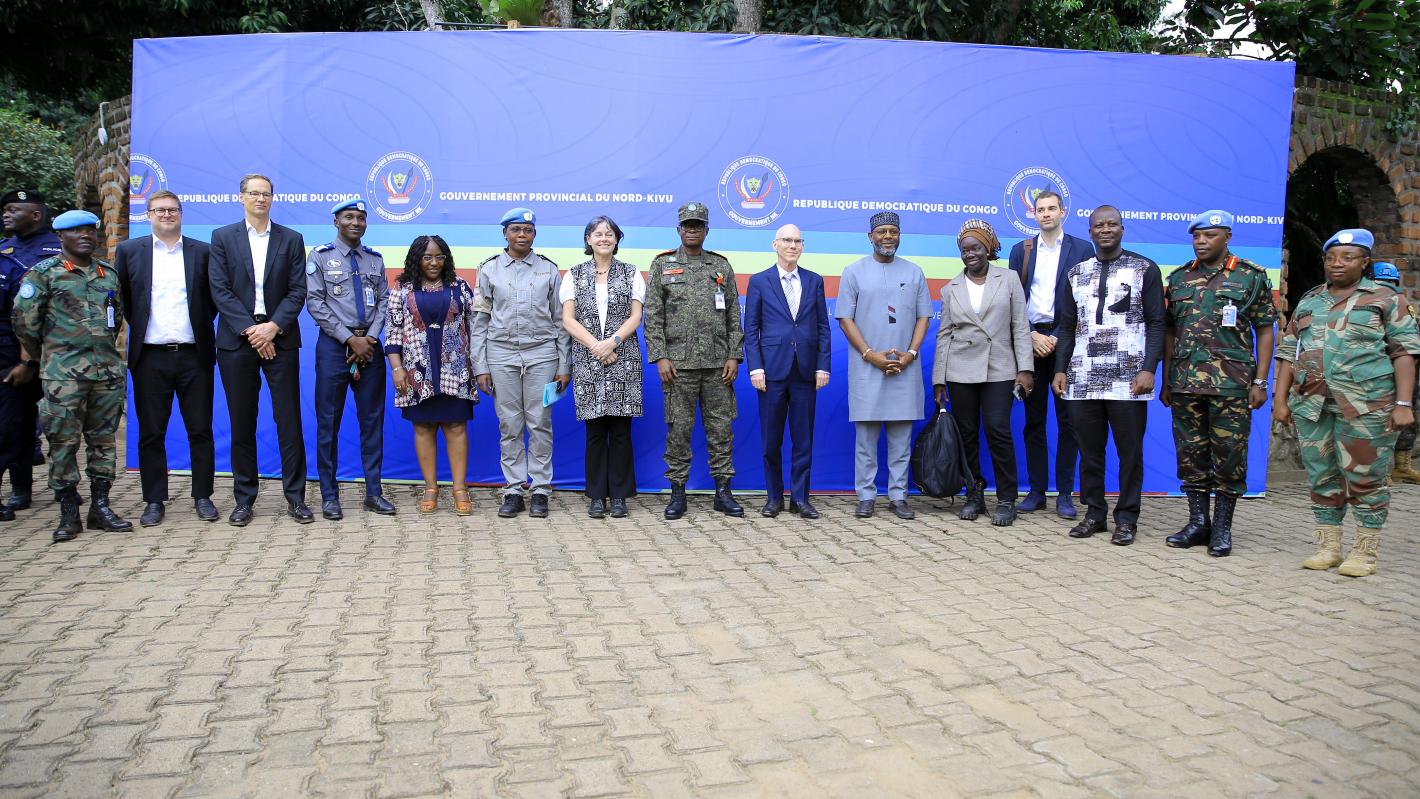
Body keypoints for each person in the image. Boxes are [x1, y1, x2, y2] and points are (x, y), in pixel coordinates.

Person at [1275, 230, 1420, 577]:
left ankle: (1365, 551)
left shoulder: (1386, 299)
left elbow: (1405, 353)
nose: (1337, 264)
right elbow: (1287, 352)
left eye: (1348, 257)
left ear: (1365, 262)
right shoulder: (1310, 299)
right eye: (1331, 258)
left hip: (1367, 406)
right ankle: (1329, 546)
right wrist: (1280, 399)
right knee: (1321, 476)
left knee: (1366, 477)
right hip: (1312, 404)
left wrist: (1403, 403)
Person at [1160, 210, 1277, 557]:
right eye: (1196, 236)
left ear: (1227, 236)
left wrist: (1260, 381)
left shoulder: (1250, 276)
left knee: (1229, 457)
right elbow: (1169, 330)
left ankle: (1222, 529)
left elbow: (1266, 329)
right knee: (1191, 455)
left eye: (1209, 236)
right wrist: (1168, 377)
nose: (1201, 242)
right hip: (1185, 383)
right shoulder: (1180, 278)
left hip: (1232, 384)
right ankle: (1198, 523)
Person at [12, 210, 130, 542]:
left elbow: (115, 318)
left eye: (90, 231)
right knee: (63, 443)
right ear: (60, 237)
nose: (85, 237)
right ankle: (68, 512)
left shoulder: (108, 274)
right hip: (62, 376)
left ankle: (101, 507)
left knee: (103, 442)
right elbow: (25, 323)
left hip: (106, 373)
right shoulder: (44, 275)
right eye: (75, 232)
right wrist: (47, 356)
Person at [1051, 205, 1165, 545]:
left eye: (1111, 224)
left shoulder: (1144, 269)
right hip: (1083, 377)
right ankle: (1095, 514)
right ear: (1090, 232)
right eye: (1098, 225)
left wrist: (1149, 368)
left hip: (1129, 378)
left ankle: (1127, 518)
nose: (1105, 229)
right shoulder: (1076, 273)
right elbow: (1067, 326)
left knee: (1130, 453)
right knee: (1090, 452)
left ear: (1122, 229)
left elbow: (1158, 322)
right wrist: (1060, 368)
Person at [207, 174, 311, 526]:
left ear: (272, 198)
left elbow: (298, 290)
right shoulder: (222, 238)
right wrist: (252, 331)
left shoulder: (291, 239)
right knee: (242, 420)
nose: (261, 199)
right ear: (241, 197)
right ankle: (244, 498)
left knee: (289, 420)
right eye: (254, 193)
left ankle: (296, 498)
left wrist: (272, 328)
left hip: (279, 337)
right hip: (238, 341)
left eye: (266, 194)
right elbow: (219, 290)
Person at [113, 190, 220, 527]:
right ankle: (154, 500)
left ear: (181, 213)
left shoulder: (202, 252)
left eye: (172, 210)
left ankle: (203, 497)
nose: (167, 215)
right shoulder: (130, 251)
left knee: (200, 430)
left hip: (194, 355)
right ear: (148, 215)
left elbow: (213, 300)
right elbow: (124, 300)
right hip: (150, 357)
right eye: (159, 210)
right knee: (151, 432)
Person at [643, 202, 746, 520]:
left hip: (717, 366)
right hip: (678, 367)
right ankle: (677, 493)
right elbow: (653, 315)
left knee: (721, 429)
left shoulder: (721, 266)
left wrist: (734, 355)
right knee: (678, 431)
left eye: (697, 225)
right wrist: (660, 356)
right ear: (678, 229)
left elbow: (732, 313)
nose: (692, 229)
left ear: (706, 230)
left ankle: (723, 492)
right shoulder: (662, 265)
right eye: (687, 225)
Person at [472, 208, 571, 519]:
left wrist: (564, 364)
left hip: (543, 355)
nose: (522, 235)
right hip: (501, 355)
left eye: (528, 230)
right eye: (516, 230)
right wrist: (481, 366)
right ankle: (514, 488)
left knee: (540, 422)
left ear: (534, 234)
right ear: (505, 234)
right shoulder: (488, 270)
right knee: (509, 423)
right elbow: (480, 320)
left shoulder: (549, 270)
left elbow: (561, 320)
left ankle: (541, 488)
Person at [933, 219, 1033, 526]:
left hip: (1000, 367)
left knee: (998, 431)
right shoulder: (950, 288)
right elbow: (944, 334)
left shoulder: (1009, 279)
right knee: (966, 436)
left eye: (976, 247)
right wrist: (939, 378)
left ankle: (1006, 499)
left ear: (989, 248)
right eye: (965, 249)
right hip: (960, 370)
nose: (970, 254)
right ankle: (973, 493)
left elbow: (1019, 325)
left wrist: (1026, 369)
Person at [837, 211, 932, 520]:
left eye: (893, 231)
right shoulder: (853, 272)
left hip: (905, 366)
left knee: (901, 438)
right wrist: (869, 354)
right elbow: (845, 318)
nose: (888, 236)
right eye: (882, 232)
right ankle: (865, 496)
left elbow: (923, 317)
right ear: (871, 237)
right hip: (867, 367)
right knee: (865, 439)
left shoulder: (915, 272)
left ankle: (898, 495)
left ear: (899, 236)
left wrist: (911, 353)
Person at [305, 199, 395, 521]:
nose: (355, 222)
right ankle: (330, 496)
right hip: (334, 348)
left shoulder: (375, 259)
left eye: (360, 218)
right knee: (328, 423)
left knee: (372, 422)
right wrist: (349, 338)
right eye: (349, 217)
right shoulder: (320, 257)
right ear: (336, 222)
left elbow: (384, 300)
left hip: (370, 346)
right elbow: (315, 303)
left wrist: (369, 337)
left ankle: (374, 493)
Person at [1007, 190, 1091, 519]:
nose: (1045, 214)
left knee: (1069, 422)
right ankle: (1037, 491)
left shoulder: (1082, 249)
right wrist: (1030, 335)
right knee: (1033, 421)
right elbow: (1013, 300)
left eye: (1051, 208)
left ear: (1063, 212)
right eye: (1040, 209)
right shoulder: (1021, 251)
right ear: (1034, 215)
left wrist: (1057, 338)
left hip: (1066, 341)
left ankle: (1066, 493)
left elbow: (1086, 299)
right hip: (1029, 338)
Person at [385, 235, 479, 516]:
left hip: (456, 368)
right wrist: (397, 368)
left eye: (439, 257)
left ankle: (460, 489)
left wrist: (479, 365)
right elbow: (393, 330)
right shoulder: (402, 288)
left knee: (456, 427)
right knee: (423, 428)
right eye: (427, 257)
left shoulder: (459, 287)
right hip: (416, 371)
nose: (434, 262)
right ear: (417, 259)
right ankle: (430, 488)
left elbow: (474, 327)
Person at [560, 216, 645, 519]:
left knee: (621, 431)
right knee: (595, 431)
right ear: (588, 240)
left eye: (609, 234)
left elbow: (636, 316)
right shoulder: (573, 274)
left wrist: (612, 342)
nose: (604, 238)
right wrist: (597, 346)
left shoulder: (632, 273)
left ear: (617, 239)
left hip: (623, 356)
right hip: (588, 358)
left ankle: (620, 496)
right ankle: (597, 496)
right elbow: (568, 319)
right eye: (598, 234)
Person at [745, 223, 830, 520]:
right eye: (787, 240)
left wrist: (823, 365)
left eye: (798, 241)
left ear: (802, 246)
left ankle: (800, 499)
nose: (793, 245)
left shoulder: (814, 281)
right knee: (771, 441)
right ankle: (773, 498)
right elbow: (751, 328)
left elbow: (822, 327)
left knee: (803, 439)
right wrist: (755, 367)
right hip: (771, 372)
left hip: (806, 371)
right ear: (775, 244)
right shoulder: (759, 281)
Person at [1, 189, 61, 511]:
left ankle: (65, 486)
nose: (6, 215)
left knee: (64, 425)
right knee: (16, 425)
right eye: (5, 210)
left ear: (35, 214)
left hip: (57, 354)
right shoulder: (3, 251)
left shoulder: (60, 248)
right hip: (13, 355)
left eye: (13, 209)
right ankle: (20, 488)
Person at [0, 246, 41, 522]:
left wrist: (26, 362)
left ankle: (17, 488)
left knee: (8, 432)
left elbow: (24, 320)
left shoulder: (9, 267)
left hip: (7, 366)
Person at [1372, 262, 1420, 484]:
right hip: (1377, 371)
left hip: (1404, 368)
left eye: (1390, 283)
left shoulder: (1402, 304)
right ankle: (1378, 471)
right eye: (1382, 282)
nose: (1387, 287)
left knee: (1408, 418)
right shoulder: (1364, 304)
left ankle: (1401, 467)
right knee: (1377, 421)